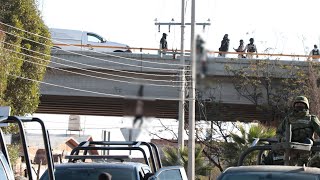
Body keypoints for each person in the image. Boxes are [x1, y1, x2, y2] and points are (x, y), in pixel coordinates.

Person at [276, 96, 320, 165]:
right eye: (297, 104)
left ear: (306, 106)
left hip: (306, 146)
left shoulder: (311, 118)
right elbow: (279, 132)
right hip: (291, 146)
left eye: (301, 104)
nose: (299, 105)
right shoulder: (288, 118)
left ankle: (304, 162)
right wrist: (281, 139)